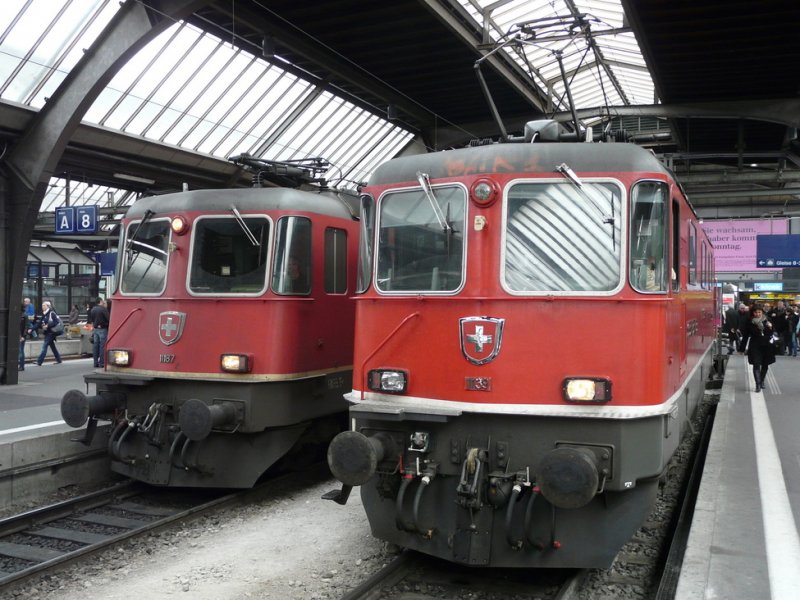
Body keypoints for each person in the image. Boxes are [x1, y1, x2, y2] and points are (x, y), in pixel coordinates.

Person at [739, 304, 776, 393]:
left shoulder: (767, 320)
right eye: (756, 312)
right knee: (756, 364)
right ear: (753, 313)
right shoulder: (749, 322)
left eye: (759, 312)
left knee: (765, 364)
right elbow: (745, 336)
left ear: (762, 312)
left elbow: (772, 333)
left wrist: (770, 327)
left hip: (767, 345)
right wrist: (742, 348)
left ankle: (762, 380)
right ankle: (758, 384)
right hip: (755, 345)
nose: (757, 314)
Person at [36, 301, 63, 366]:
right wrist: (32, 328)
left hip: (51, 332)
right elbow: (39, 323)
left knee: (44, 347)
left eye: (44, 305)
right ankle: (59, 359)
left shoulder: (51, 313)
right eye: (42, 305)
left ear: (48, 306)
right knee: (53, 347)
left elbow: (56, 322)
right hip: (48, 332)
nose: (42, 307)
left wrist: (48, 325)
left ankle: (39, 361)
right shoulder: (44, 314)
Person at [89, 297, 110, 368]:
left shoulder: (93, 309)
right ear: (100, 301)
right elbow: (109, 319)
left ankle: (95, 362)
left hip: (95, 329)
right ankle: (102, 363)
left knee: (95, 346)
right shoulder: (103, 309)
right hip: (103, 329)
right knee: (102, 346)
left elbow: (92, 319)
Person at [19, 302, 32, 371]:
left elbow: (26, 326)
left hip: (21, 336)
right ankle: (20, 365)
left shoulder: (24, 316)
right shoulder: (19, 315)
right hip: (18, 335)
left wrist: (23, 336)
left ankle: (21, 366)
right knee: (20, 350)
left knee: (21, 350)